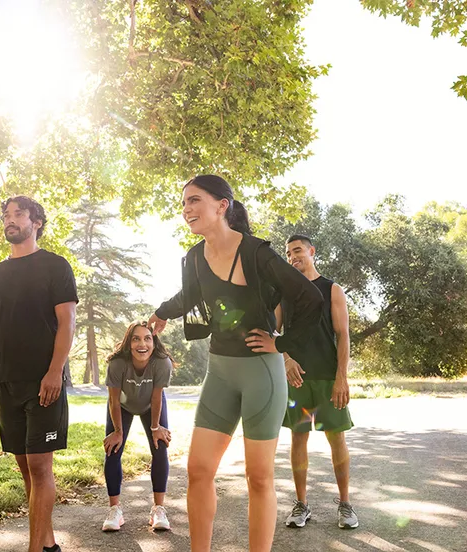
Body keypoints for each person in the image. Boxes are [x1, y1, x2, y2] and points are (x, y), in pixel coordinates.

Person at [148, 175, 323, 552]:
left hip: (261, 373)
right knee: (198, 471)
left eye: (194, 201)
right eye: (183, 204)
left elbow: (309, 297)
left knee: (258, 476)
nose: (186, 210)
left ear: (221, 205)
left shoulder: (257, 253)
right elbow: (190, 296)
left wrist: (282, 344)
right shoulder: (195, 257)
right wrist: (162, 312)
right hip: (220, 372)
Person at [0, 196, 78, 552]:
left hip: (44, 382)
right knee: (26, 469)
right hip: (8, 383)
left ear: (37, 223)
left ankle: (34, 549)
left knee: (41, 467)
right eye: (6, 215)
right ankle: (47, 544)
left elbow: (67, 323)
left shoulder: (56, 267)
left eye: (18, 214)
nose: (10, 220)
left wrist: (55, 371)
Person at [277, 234, 358, 530]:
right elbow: (274, 333)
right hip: (296, 381)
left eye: (297, 250)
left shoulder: (331, 289)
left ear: (312, 251)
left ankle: (346, 505)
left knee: (336, 438)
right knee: (298, 438)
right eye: (288, 253)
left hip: (327, 378)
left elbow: (343, 335)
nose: (292, 256)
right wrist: (286, 359)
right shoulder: (283, 293)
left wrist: (341, 378)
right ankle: (301, 505)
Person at [101, 322, 173, 532]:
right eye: (136, 338)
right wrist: (117, 432)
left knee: (160, 447)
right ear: (129, 343)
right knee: (113, 449)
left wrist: (155, 428)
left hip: (152, 404)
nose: (142, 343)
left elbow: (157, 396)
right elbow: (114, 400)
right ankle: (115, 511)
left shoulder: (162, 363)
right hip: (122, 405)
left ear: (153, 342)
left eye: (147, 338)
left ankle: (158, 509)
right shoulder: (117, 364)